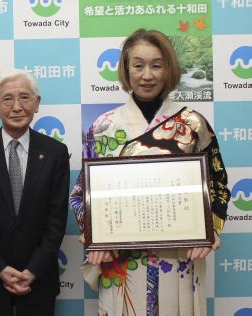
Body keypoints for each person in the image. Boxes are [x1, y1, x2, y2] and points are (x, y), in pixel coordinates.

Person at [70, 29, 230, 315]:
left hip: (180, 256)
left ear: (168, 69)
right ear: (126, 69)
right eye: (138, 65)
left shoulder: (192, 123)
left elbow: (217, 182)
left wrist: (210, 228)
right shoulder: (104, 127)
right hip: (122, 260)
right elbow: (81, 194)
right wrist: (94, 235)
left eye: (157, 65)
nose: (147, 75)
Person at [0, 69, 70, 316]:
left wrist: (32, 270)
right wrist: (0, 268)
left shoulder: (55, 153)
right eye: (8, 99)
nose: (17, 106)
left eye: (25, 97)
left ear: (37, 103)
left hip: (39, 278)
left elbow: (57, 221)